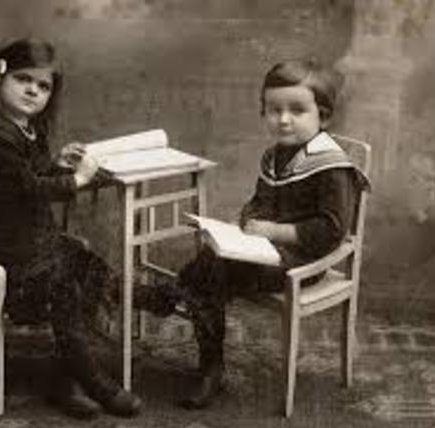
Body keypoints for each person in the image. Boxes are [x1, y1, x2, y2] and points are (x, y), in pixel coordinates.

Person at [136, 59, 369, 409]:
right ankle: (204, 352)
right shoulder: (275, 156)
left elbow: (331, 231)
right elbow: (259, 201)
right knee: (213, 260)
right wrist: (248, 220)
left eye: (297, 110)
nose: (284, 119)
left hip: (303, 261)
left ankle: (186, 328)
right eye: (274, 110)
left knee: (213, 271)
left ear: (323, 117)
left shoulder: (332, 168)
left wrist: (273, 230)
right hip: (266, 251)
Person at [0, 39, 141, 419]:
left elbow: (26, 176)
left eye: (43, 86)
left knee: (86, 265)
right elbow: (28, 189)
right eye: (23, 79)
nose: (33, 90)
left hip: (19, 237)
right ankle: (93, 381)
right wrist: (78, 180)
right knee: (62, 282)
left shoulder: (24, 127)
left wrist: (58, 163)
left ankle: (64, 376)